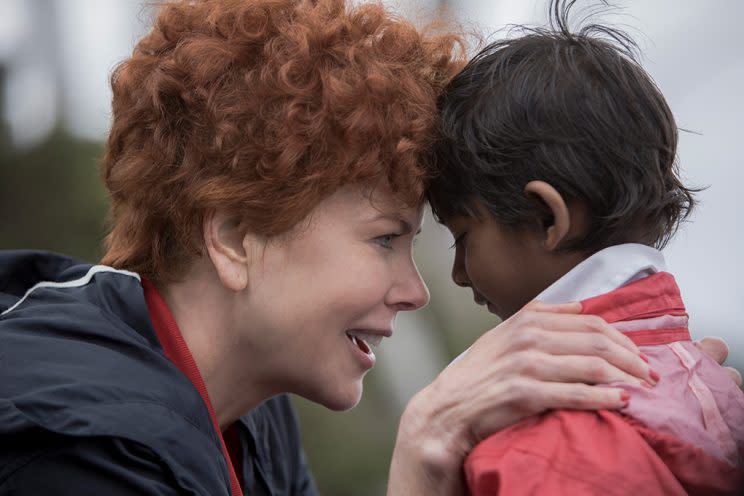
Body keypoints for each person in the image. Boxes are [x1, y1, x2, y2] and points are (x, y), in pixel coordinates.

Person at [0, 1, 735, 495]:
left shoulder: (247, 414)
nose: (417, 290)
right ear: (233, 238)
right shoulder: (75, 452)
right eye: (386, 239)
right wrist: (421, 451)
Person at [427, 1, 744, 494]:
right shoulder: (713, 390)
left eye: (463, 238)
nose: (458, 275)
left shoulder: (546, 448)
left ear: (547, 218)